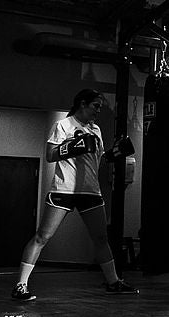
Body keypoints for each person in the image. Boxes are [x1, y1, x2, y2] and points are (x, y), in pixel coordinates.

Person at [11, 89, 139, 301]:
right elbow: (50, 155)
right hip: (64, 190)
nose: (98, 110)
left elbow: (97, 159)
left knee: (100, 238)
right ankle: (20, 286)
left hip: (90, 190)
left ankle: (113, 282)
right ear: (82, 103)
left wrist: (114, 153)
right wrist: (73, 147)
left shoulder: (95, 129)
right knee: (43, 236)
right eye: (95, 106)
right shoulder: (63, 125)